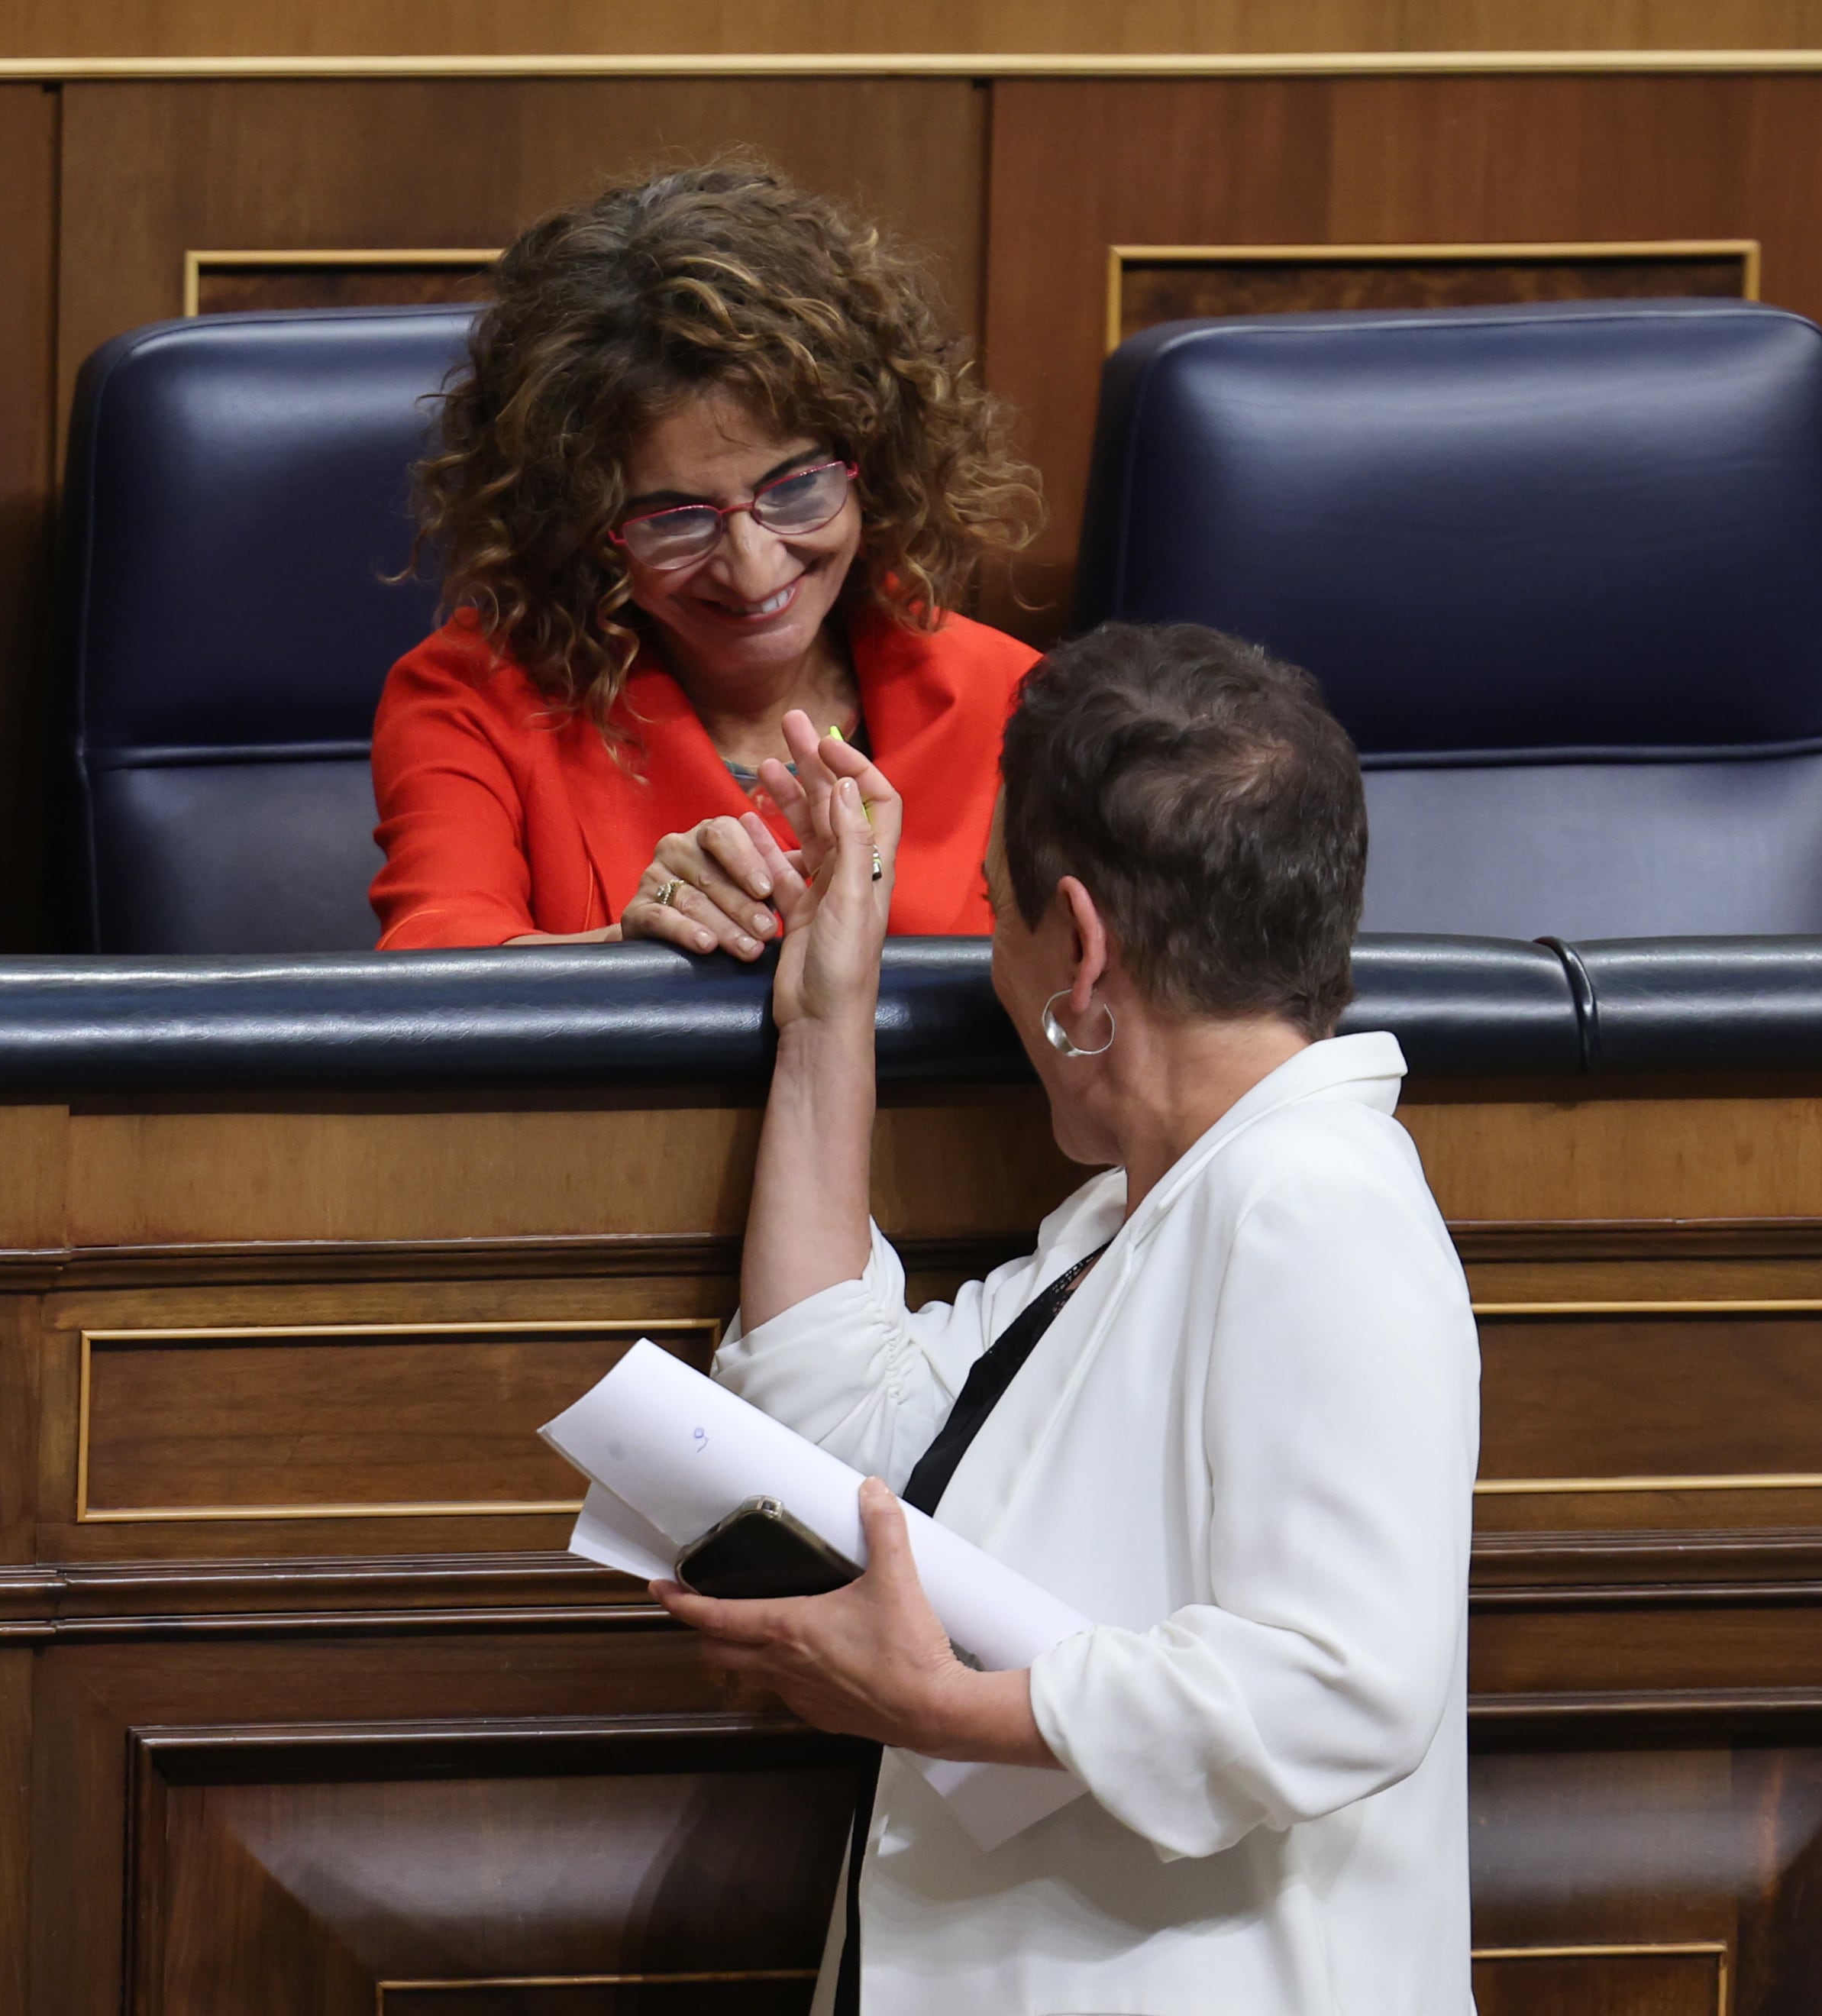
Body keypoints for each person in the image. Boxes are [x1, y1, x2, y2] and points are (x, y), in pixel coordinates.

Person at [658, 623, 1481, 2014]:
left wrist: (942, 1709)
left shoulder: (1312, 1202)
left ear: (1079, 949)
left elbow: (1343, 1683)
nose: (993, 960)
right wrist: (825, 1009)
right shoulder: (1136, 1217)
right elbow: (837, 1433)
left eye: (992, 913)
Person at [368, 159, 1041, 955]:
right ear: (581, 525)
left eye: (794, 489)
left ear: (874, 461)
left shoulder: (1010, 701)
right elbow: (431, 977)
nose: (753, 569)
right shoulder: (471, 700)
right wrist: (631, 949)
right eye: (676, 520)